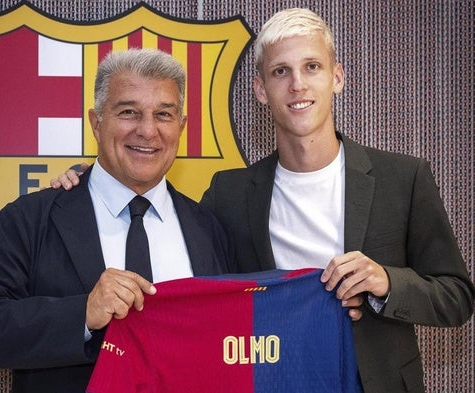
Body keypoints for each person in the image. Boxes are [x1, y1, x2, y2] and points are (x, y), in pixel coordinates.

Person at [52, 9, 475, 393]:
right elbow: (193, 277)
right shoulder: (230, 193)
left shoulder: (403, 178)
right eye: (280, 71)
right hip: (269, 381)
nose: (297, 85)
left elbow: (457, 296)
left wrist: (385, 283)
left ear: (338, 77)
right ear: (260, 89)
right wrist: (90, 181)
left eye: (312, 67)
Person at [0, 48, 234, 393]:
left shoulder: (208, 227)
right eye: (129, 112)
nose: (148, 131)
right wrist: (83, 314)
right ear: (96, 121)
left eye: (164, 114)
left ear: (181, 127)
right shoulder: (30, 219)